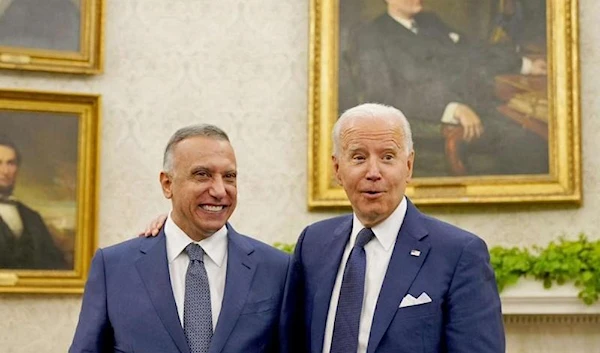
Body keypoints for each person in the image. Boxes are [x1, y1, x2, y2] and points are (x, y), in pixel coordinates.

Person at [281, 103, 504, 353]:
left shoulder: (459, 253)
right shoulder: (313, 243)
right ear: (337, 169)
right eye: (359, 157)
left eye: (387, 157)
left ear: (408, 166)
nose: (373, 172)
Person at [70, 124, 289, 353]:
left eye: (229, 176)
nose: (219, 190)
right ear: (167, 184)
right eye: (202, 175)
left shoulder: (277, 269)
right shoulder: (113, 267)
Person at [346, 0, 548, 175]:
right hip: (439, 124)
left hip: (482, 108)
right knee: (530, 146)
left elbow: (474, 51)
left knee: (541, 135)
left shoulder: (430, 23)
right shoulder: (371, 36)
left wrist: (525, 64)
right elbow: (381, 97)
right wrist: (451, 108)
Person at [0, 136, 67, 270]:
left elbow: (57, 267)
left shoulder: (33, 218)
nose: (5, 171)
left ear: (17, 169)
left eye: (11, 163)